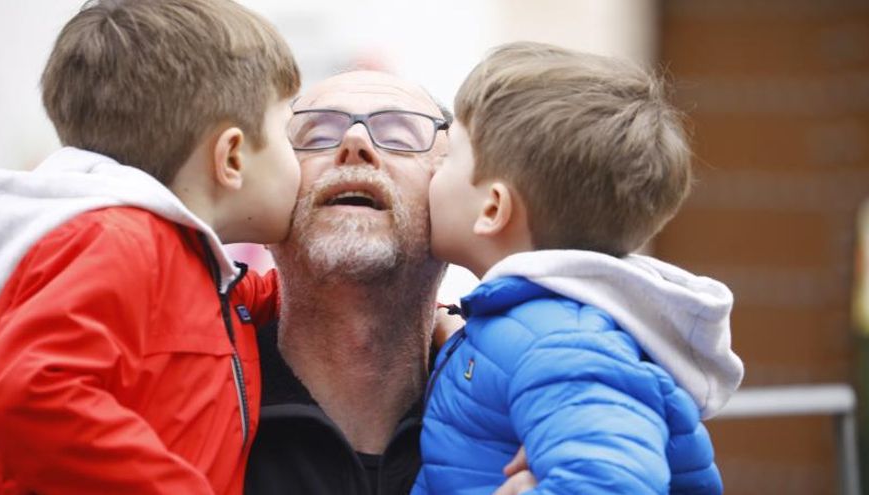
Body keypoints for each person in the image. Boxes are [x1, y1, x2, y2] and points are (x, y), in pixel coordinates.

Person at [0, 1, 300, 493]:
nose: (299, 156)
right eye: (290, 131)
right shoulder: (118, 241)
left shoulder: (170, 256)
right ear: (232, 156)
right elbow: (34, 388)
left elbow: (240, 305)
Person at [412, 41, 745, 494]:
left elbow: (614, 483)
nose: (433, 170)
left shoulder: (562, 341)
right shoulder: (539, 328)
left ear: (492, 208)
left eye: (449, 155)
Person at [244, 69, 450, 495]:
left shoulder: (527, 422)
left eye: (399, 135)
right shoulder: (189, 405)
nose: (355, 143)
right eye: (317, 135)